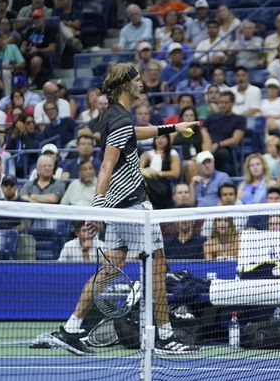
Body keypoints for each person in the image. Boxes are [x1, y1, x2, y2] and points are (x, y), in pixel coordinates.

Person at [50, 62, 199, 355]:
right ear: (125, 85)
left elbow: (136, 132)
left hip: (120, 210)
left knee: (107, 271)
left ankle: (70, 329)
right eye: (137, 79)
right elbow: (105, 164)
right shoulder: (118, 119)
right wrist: (97, 208)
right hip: (133, 208)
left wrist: (172, 127)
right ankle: (166, 337)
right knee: (157, 269)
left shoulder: (115, 115)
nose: (141, 83)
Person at [140, 134, 180, 210]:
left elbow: (175, 173)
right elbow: (139, 170)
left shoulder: (172, 154)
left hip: (164, 184)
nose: (160, 140)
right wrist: (147, 171)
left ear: (168, 139)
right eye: (157, 138)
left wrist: (158, 173)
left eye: (163, 137)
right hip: (148, 182)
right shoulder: (146, 154)